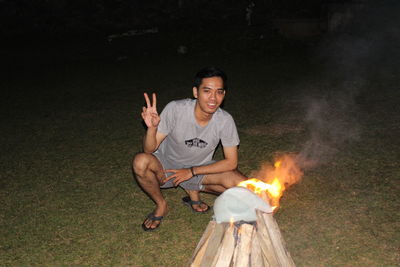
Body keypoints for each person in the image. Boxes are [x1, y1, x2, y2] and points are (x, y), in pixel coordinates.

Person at [133, 67, 247, 231]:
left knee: (244, 187)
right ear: (196, 92)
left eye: (219, 92)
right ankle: (161, 205)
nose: (213, 98)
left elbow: (231, 163)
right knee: (140, 161)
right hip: (166, 168)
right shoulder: (176, 109)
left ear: (224, 94)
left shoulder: (225, 120)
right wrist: (151, 129)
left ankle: (191, 187)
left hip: (199, 169)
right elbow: (149, 150)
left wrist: (191, 172)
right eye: (207, 91)